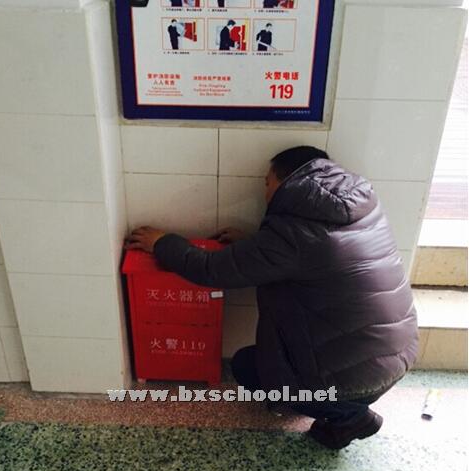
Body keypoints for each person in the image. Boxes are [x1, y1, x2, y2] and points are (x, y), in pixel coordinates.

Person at [125, 146, 419, 450]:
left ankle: (350, 416)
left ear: (285, 181)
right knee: (269, 362)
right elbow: (312, 257)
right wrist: (255, 244)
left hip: (354, 379)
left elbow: (210, 269)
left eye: (267, 183)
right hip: (396, 357)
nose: (265, 192)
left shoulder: (294, 231)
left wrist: (161, 243)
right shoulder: (359, 204)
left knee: (247, 368)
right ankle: (338, 402)